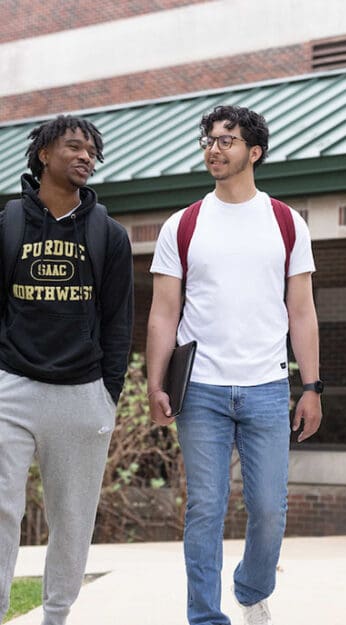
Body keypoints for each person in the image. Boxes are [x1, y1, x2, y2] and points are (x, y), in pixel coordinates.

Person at [147, 105, 322, 625]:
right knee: (205, 507)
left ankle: (251, 587)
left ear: (255, 152)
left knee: (269, 509)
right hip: (200, 388)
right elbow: (163, 311)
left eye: (227, 140)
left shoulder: (288, 223)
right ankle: (205, 615)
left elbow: (303, 311)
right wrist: (155, 383)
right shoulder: (183, 225)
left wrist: (310, 385)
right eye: (209, 139)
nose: (215, 147)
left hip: (268, 387)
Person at [0, 115, 133, 625]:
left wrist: (108, 394)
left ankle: (56, 616)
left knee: (73, 521)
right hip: (12, 386)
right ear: (43, 155)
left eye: (91, 153)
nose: (84, 157)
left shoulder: (109, 236)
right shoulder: (10, 225)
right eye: (73, 147)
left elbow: (119, 323)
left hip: (82, 395)